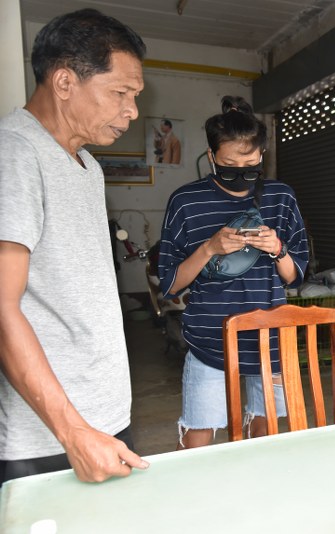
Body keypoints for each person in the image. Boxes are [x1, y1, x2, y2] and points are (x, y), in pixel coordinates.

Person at [0, 9, 150, 485]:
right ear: (64, 81)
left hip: (105, 414)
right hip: (51, 436)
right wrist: (72, 432)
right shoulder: (15, 153)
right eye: (121, 93)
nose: (132, 111)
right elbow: (2, 306)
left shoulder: (88, 165)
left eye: (135, 96)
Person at [158, 96, 309, 449]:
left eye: (250, 164)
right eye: (228, 165)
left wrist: (277, 248)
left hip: (268, 337)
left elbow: (294, 276)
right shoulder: (186, 202)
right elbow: (170, 283)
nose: (241, 173)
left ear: (262, 155)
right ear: (211, 157)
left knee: (266, 436)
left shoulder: (281, 198)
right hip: (209, 338)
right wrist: (209, 249)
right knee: (198, 440)